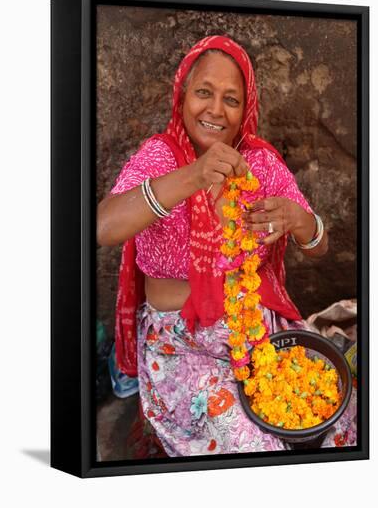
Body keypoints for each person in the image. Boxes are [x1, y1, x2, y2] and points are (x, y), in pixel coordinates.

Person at [97, 35, 356, 456]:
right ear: (182, 98)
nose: (215, 110)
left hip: (259, 333)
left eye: (231, 99)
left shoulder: (259, 163)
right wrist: (195, 176)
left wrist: (300, 220)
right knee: (254, 449)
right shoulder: (161, 158)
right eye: (204, 93)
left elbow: (319, 248)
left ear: (245, 108)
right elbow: (104, 227)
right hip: (183, 345)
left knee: (341, 419)